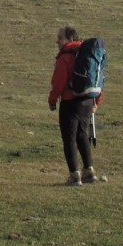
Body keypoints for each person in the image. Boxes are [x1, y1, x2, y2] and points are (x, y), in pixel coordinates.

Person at [48, 26, 105, 185]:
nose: (57, 41)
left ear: (70, 39)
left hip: (70, 102)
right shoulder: (88, 54)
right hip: (88, 101)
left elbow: (58, 82)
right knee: (82, 135)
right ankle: (89, 171)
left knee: (69, 139)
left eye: (60, 38)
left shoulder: (65, 56)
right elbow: (98, 77)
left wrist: (52, 100)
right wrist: (96, 101)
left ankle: (75, 176)